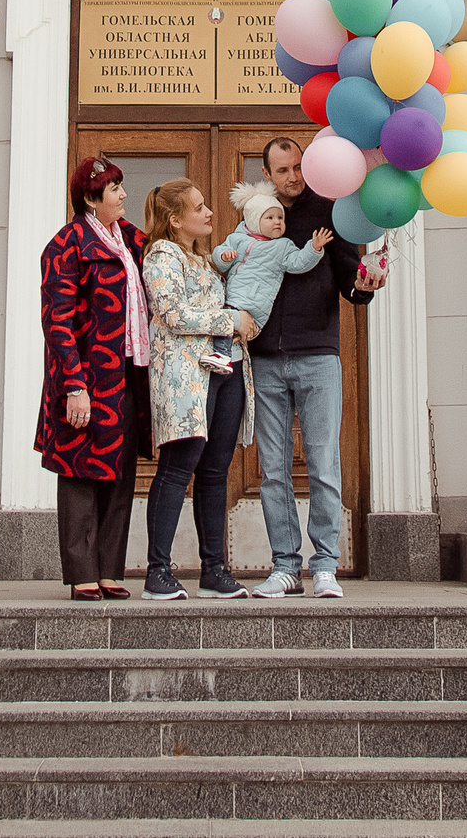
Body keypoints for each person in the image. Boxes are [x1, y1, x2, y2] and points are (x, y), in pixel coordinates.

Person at [247, 135, 389, 599]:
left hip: (318, 357)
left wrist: (367, 284)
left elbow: (352, 279)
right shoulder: (255, 217)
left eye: (298, 167)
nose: (292, 177)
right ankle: (285, 567)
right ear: (266, 174)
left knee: (324, 465)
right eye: (282, 170)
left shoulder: (331, 210)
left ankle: (324, 564)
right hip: (265, 359)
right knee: (273, 470)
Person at [35, 156, 151, 600]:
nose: (123, 195)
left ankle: (109, 568)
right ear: (90, 197)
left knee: (119, 470)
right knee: (81, 469)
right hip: (86, 377)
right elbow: (57, 321)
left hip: (126, 374)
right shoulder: (67, 244)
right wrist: (74, 386)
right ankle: (82, 570)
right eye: (114, 188)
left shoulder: (131, 240)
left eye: (122, 186)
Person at [137, 178, 257, 600]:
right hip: (186, 380)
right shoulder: (161, 255)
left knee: (214, 472)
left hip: (225, 374)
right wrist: (231, 321)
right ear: (174, 219)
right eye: (200, 207)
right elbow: (172, 314)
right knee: (176, 470)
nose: (209, 213)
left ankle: (214, 570)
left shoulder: (202, 260)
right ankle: (157, 572)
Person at [207, 179, 332, 368]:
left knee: (233, 323)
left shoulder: (282, 247)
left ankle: (221, 356)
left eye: (280, 218)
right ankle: (224, 356)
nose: (277, 222)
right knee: (227, 323)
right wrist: (224, 257)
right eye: (270, 218)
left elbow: (298, 263)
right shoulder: (237, 239)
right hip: (233, 298)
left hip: (256, 305)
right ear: (254, 221)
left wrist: (313, 248)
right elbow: (218, 259)